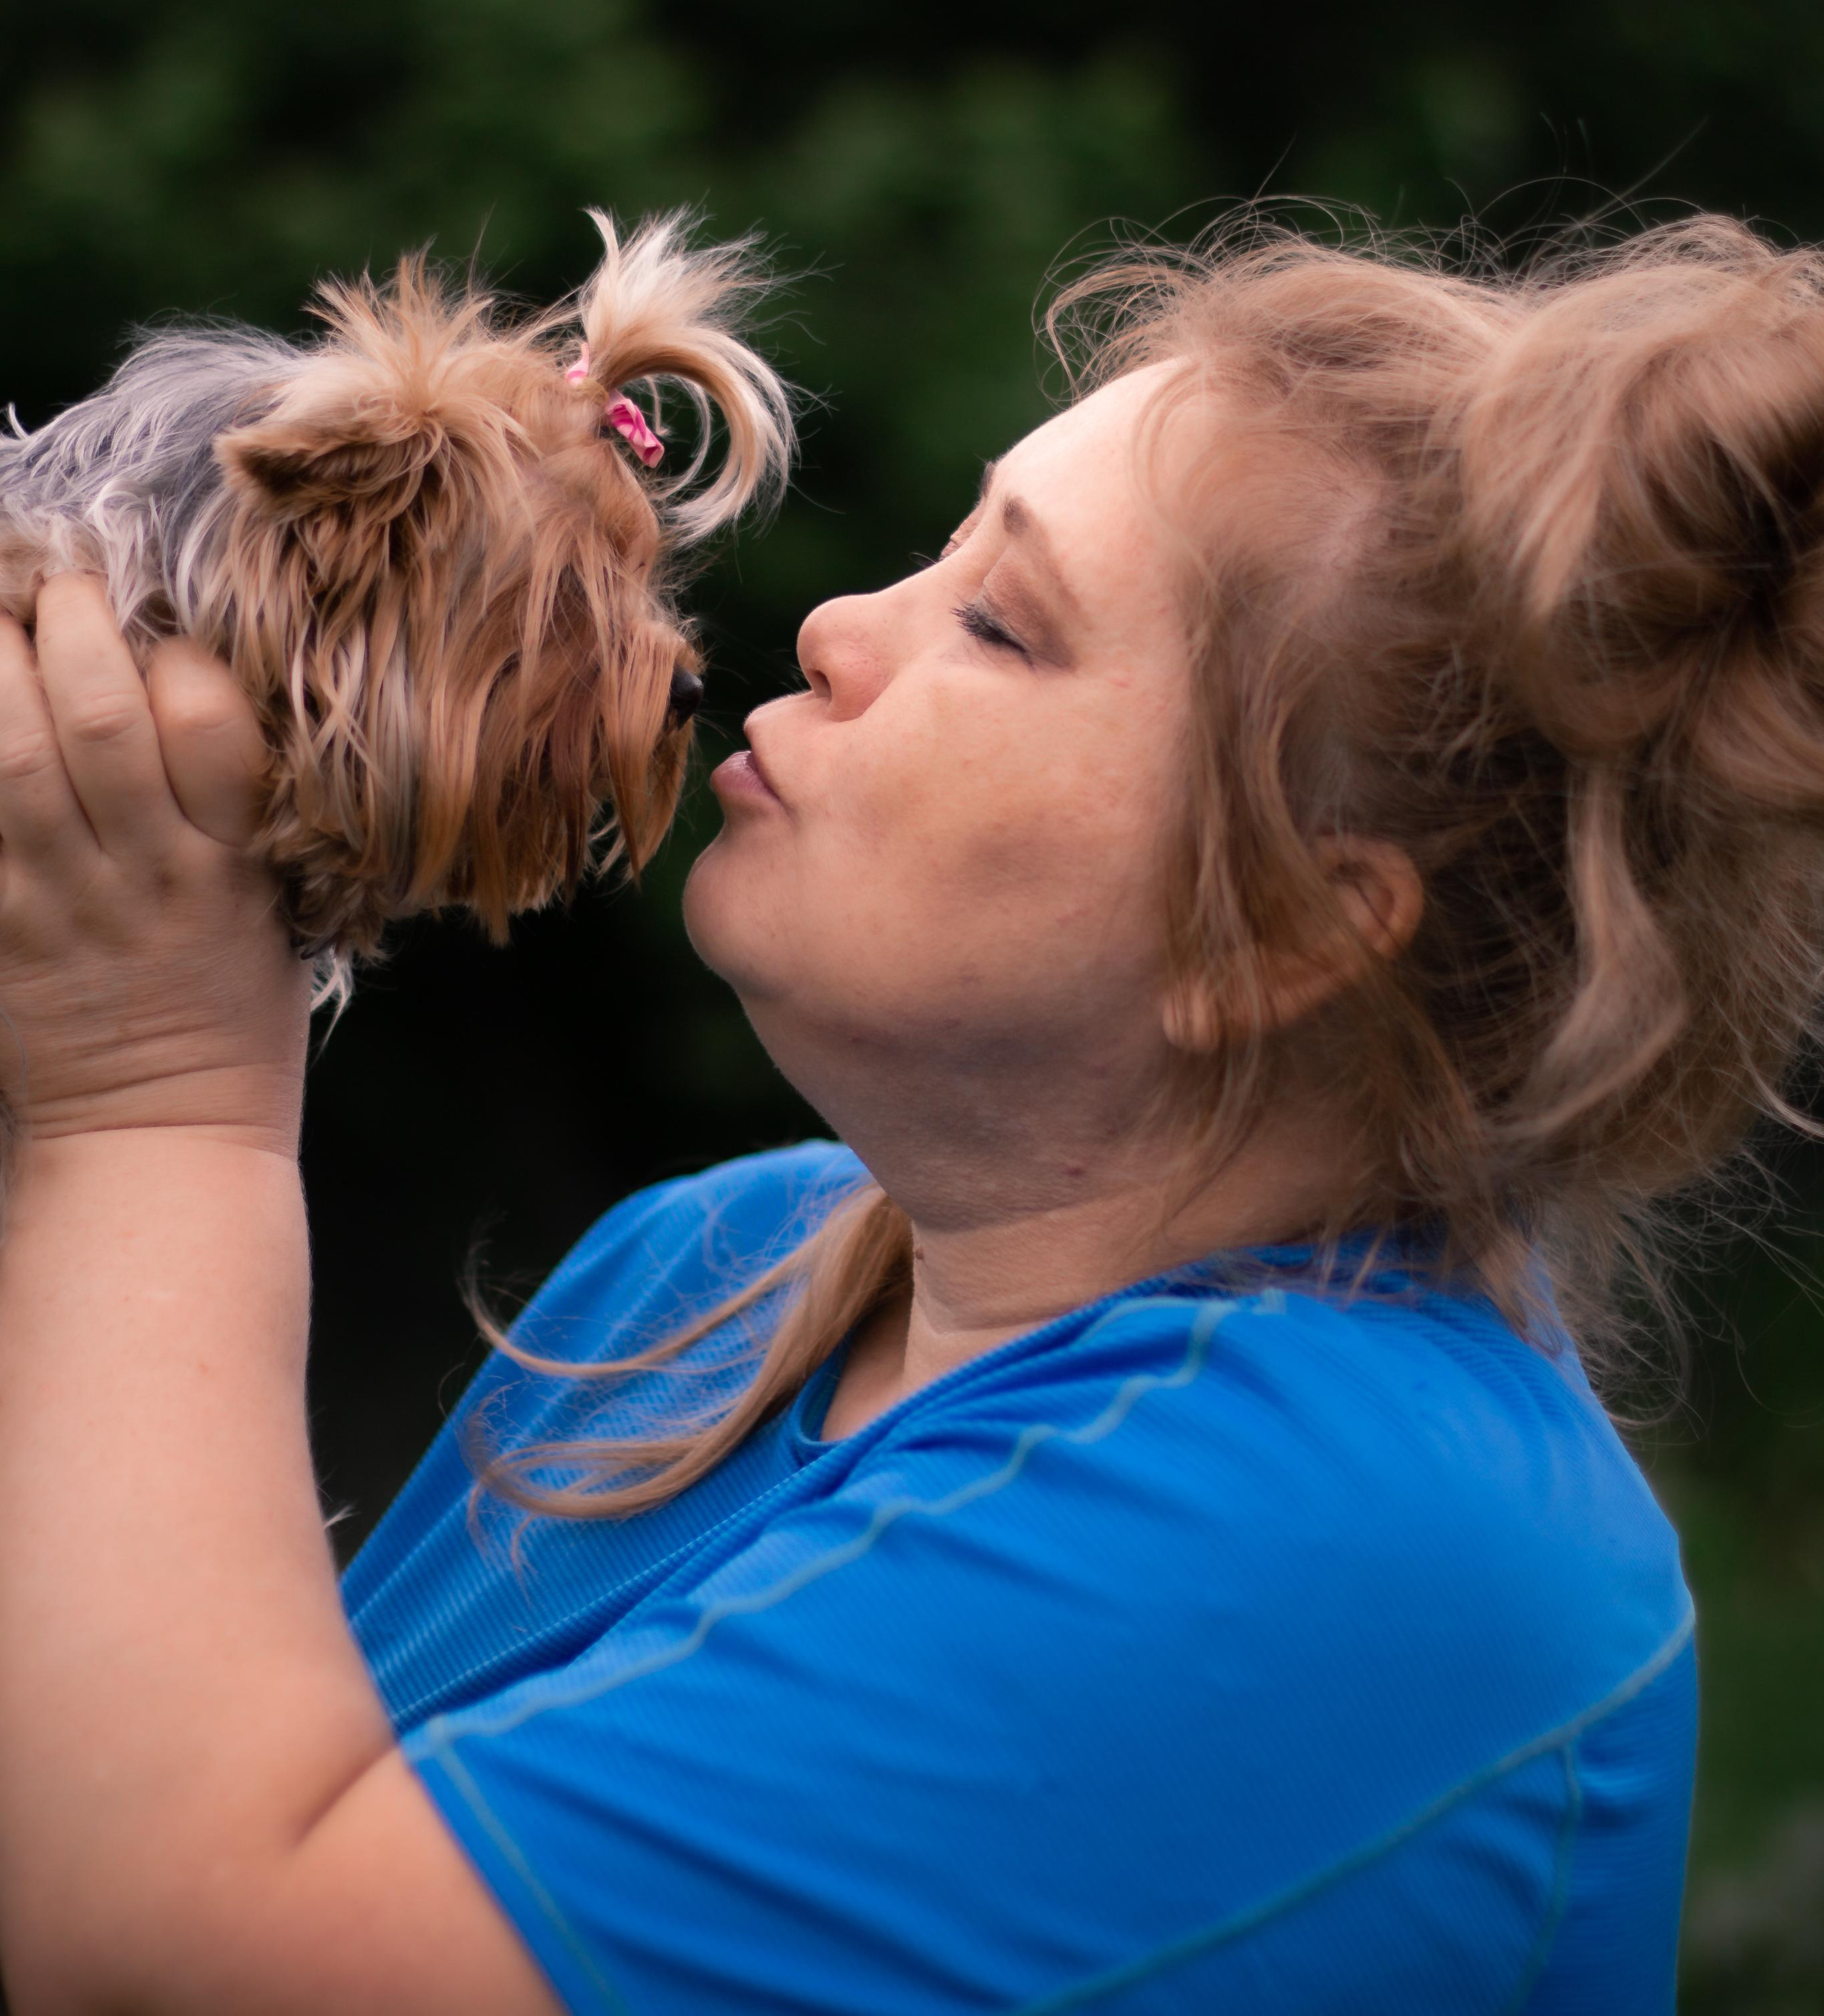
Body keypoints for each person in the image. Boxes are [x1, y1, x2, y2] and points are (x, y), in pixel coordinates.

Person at [2, 212, 1817, 2014]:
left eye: (1000, 624)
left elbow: (174, 1955)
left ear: (1278, 928)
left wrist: (145, 1106)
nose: (829, 624)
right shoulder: (709, 1269)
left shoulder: (1350, 1545)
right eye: (939, 550)